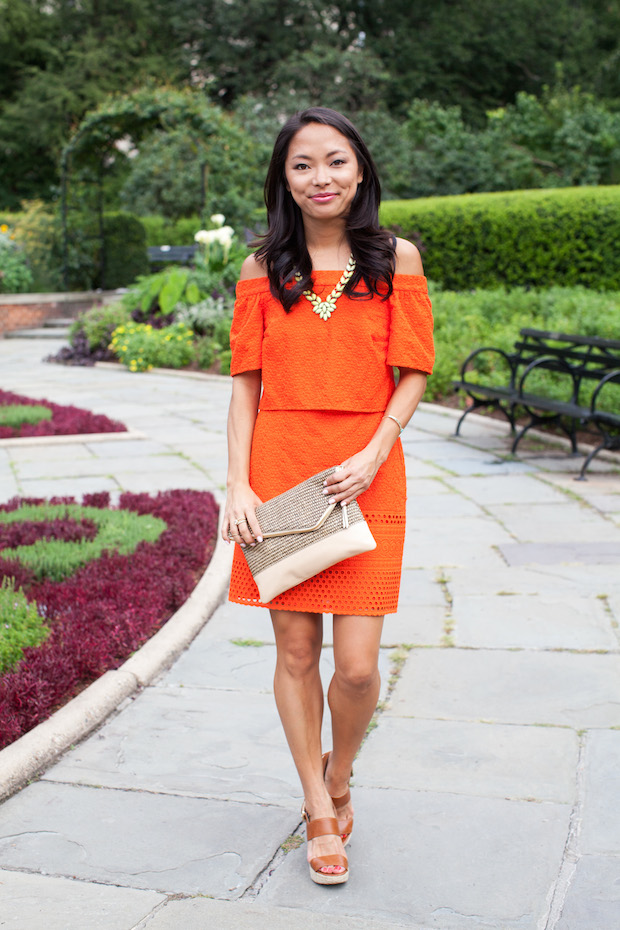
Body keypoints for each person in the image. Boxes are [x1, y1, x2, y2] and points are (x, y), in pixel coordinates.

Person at [221, 107, 434, 886]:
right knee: (296, 650)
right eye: (304, 164)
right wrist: (238, 483)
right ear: (284, 177)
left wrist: (377, 449)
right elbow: (246, 387)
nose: (322, 178)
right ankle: (318, 806)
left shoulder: (395, 258)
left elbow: (414, 369)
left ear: (361, 169)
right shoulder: (259, 269)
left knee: (353, 667)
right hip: (281, 470)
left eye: (336, 161)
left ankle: (340, 769)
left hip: (366, 473)